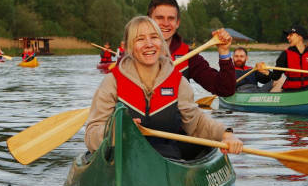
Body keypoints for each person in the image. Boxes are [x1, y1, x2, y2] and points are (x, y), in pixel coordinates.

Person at [85, 16, 243, 160]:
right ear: (129, 47)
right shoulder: (112, 82)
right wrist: (116, 132)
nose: (149, 44)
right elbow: (92, 134)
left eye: (154, 37)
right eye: (140, 39)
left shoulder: (178, 81)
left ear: (161, 42)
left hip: (167, 158)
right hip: (123, 157)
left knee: (197, 147)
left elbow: (197, 124)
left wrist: (226, 134)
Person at [147, 0, 235, 97]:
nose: (166, 23)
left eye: (171, 18)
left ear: (177, 23)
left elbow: (225, 90)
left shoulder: (188, 56)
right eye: (160, 18)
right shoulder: (133, 53)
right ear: (148, 20)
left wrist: (224, 53)